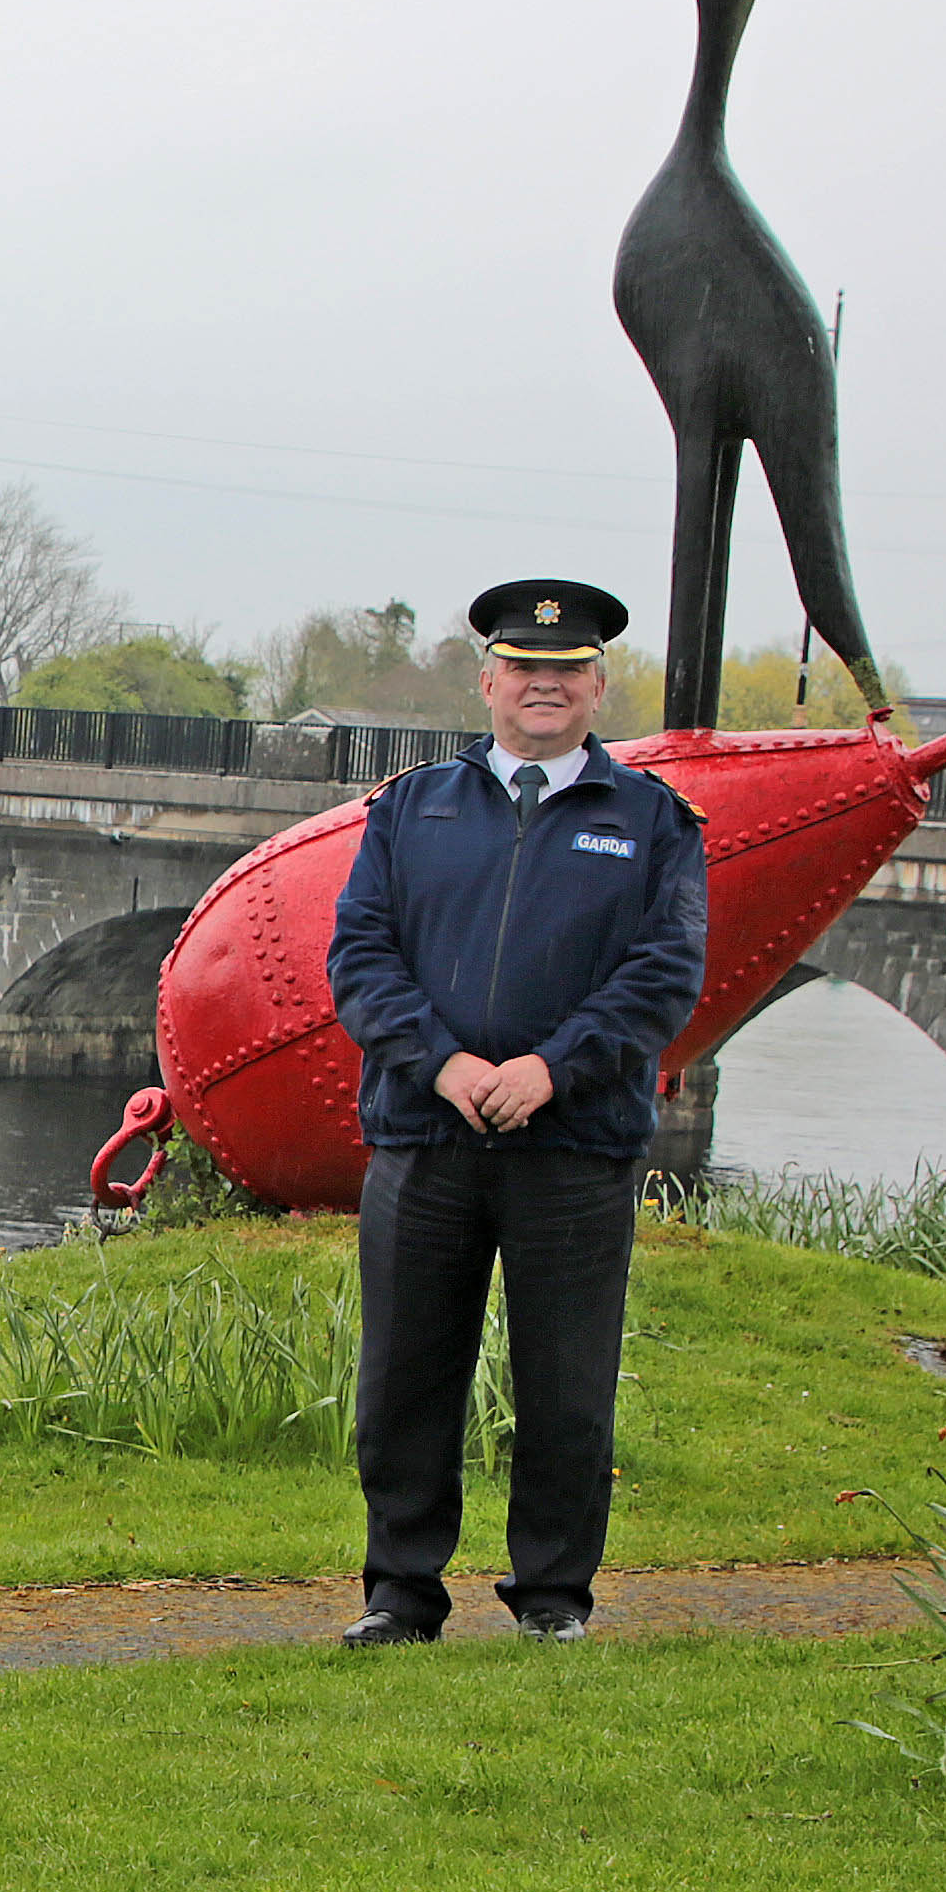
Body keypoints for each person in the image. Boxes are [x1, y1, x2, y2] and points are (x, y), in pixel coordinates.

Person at [321, 579, 712, 1647]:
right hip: (426, 1131)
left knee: (566, 1383)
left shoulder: (653, 822)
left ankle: (551, 1598)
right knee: (406, 1374)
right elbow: (360, 956)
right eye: (523, 670)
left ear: (598, 686)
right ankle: (400, 1591)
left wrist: (552, 1067)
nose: (544, 687)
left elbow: (664, 973)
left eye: (567, 672)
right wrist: (443, 1063)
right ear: (489, 680)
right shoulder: (412, 809)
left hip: (573, 1142)